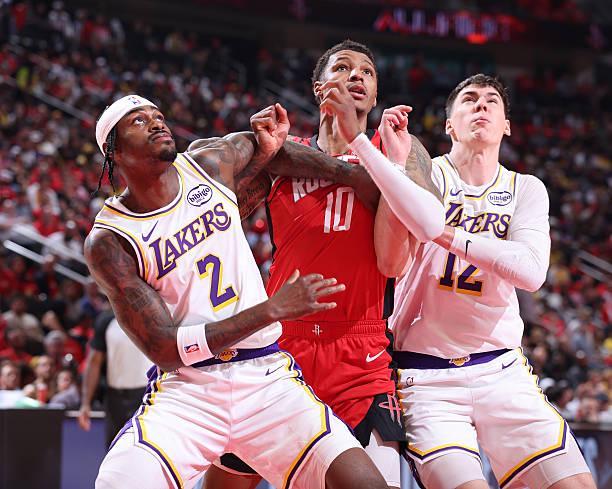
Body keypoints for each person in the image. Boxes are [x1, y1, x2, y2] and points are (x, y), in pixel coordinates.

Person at [85, 94, 389, 489]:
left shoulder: (207, 162)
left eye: (157, 115)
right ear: (115, 152)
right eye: (138, 121)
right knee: (117, 481)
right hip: (190, 390)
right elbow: (164, 348)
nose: (156, 122)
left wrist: (351, 175)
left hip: (265, 378)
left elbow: (274, 151)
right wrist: (270, 310)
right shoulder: (111, 239)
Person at [331, 74, 594, 489]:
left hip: (502, 370)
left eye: (492, 101)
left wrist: (444, 232)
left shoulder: (526, 188)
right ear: (449, 125)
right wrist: (394, 168)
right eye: (469, 99)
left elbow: (530, 272)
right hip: (426, 378)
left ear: (507, 125)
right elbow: (392, 261)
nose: (481, 105)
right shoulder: (426, 175)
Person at [205, 40, 443, 489]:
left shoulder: (398, 149)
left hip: (360, 351)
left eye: (367, 72)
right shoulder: (283, 150)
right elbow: (219, 215)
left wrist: (377, 164)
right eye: (343, 68)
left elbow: (427, 218)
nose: (357, 76)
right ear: (319, 88)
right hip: (279, 346)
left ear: (375, 95)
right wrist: (261, 156)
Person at [78, 311, 150, 447]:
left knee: (145, 448)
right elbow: (94, 362)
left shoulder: (153, 315)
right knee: (115, 448)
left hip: (147, 396)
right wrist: (85, 403)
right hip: (115, 398)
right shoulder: (106, 320)